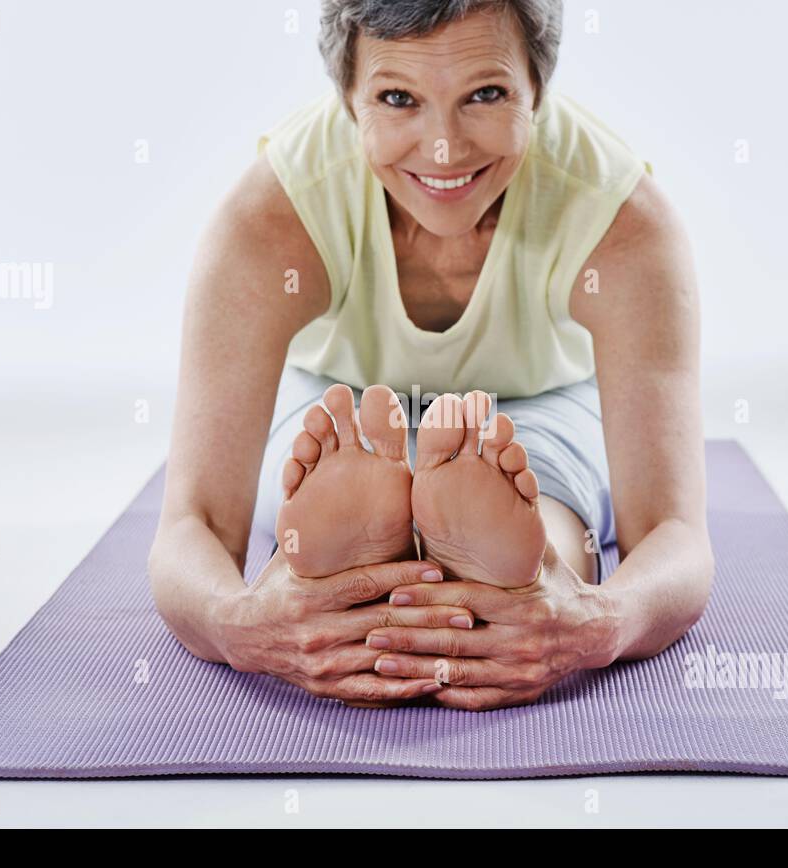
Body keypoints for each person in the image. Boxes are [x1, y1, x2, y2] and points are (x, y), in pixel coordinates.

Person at [148, 0, 713, 711]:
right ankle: (428, 572)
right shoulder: (272, 216)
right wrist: (243, 625)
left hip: (540, 395)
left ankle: (520, 566)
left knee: (543, 477)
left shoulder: (622, 220)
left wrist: (591, 624)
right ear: (348, 101)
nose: (443, 148)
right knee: (307, 450)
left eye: (485, 94)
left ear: (539, 89)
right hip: (341, 392)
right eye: (397, 99)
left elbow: (676, 538)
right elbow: (191, 526)